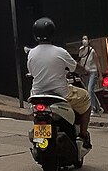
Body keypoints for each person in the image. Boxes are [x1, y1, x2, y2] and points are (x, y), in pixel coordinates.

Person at [27, 17, 91, 147]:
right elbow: (76, 67)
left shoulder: (31, 53)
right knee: (86, 98)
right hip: (60, 95)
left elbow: (32, 72)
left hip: (37, 95)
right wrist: (85, 71)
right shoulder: (60, 52)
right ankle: (83, 135)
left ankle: (39, 137)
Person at [77, 35, 101, 114]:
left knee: (90, 89)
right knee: (89, 91)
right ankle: (98, 107)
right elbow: (80, 61)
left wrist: (100, 74)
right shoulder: (80, 50)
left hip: (93, 71)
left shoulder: (92, 51)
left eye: (85, 39)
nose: (84, 40)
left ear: (88, 41)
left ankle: (92, 108)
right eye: (83, 39)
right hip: (85, 72)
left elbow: (97, 63)